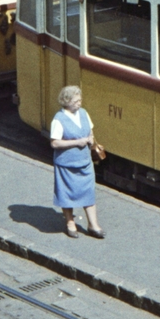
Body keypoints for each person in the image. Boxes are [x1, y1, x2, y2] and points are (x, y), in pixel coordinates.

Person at [48, 85, 104, 238]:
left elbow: (90, 131)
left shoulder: (84, 113)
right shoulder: (58, 120)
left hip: (85, 162)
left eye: (80, 100)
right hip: (66, 164)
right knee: (67, 193)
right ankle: (70, 222)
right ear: (66, 101)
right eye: (76, 101)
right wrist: (77, 142)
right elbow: (55, 143)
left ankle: (93, 225)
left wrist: (92, 141)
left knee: (88, 191)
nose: (79, 103)